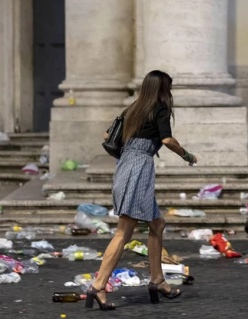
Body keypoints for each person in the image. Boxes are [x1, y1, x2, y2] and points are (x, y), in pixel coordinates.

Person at [86, 70, 198, 311]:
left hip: (126, 165)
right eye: (169, 87)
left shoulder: (134, 108)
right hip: (138, 169)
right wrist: (187, 155)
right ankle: (98, 286)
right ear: (161, 89)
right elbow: (167, 140)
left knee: (157, 225)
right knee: (123, 233)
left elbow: (108, 135)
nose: (171, 92)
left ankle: (157, 280)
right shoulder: (159, 108)